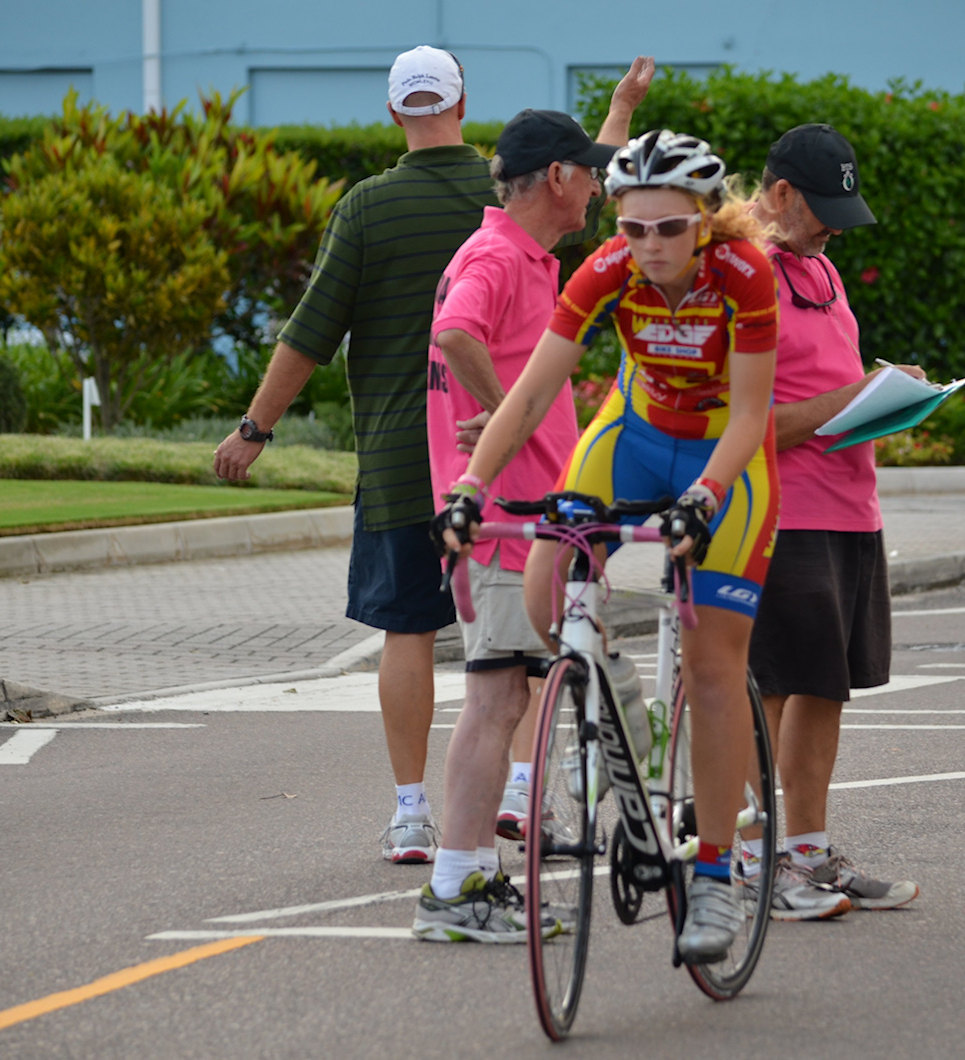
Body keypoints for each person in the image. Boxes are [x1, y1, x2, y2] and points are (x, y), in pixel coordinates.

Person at [212, 48, 652, 865]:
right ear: (464, 105)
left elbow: (310, 334)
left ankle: (413, 813)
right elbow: (587, 187)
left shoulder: (369, 207)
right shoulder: (498, 212)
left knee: (409, 630)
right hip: (501, 471)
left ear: (392, 115)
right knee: (513, 655)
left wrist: (255, 428)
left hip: (402, 459)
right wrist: (503, 412)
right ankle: (516, 802)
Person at [435, 129, 780, 963]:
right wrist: (470, 490)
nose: (649, 246)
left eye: (669, 229)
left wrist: (703, 496)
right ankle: (619, 699)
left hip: (723, 455)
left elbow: (749, 416)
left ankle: (714, 874)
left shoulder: (745, 275)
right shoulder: (606, 274)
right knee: (543, 592)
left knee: (713, 666)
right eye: (632, 228)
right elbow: (528, 394)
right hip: (631, 433)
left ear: (704, 222)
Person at [411, 108, 627, 941]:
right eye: (590, 172)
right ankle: (456, 888)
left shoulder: (524, 252)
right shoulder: (499, 254)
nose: (599, 188)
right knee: (497, 697)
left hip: (527, 517)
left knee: (506, 694)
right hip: (503, 519)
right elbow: (455, 329)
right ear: (559, 179)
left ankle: (468, 879)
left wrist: (624, 108)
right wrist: (512, 417)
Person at [744, 124, 919, 917]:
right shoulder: (746, 275)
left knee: (827, 686)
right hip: (783, 513)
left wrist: (890, 390)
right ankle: (757, 857)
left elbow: (825, 382)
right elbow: (747, 424)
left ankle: (807, 852)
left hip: (851, 508)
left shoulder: (820, 269)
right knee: (774, 685)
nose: (833, 227)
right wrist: (857, 397)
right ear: (779, 194)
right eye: (823, 209)